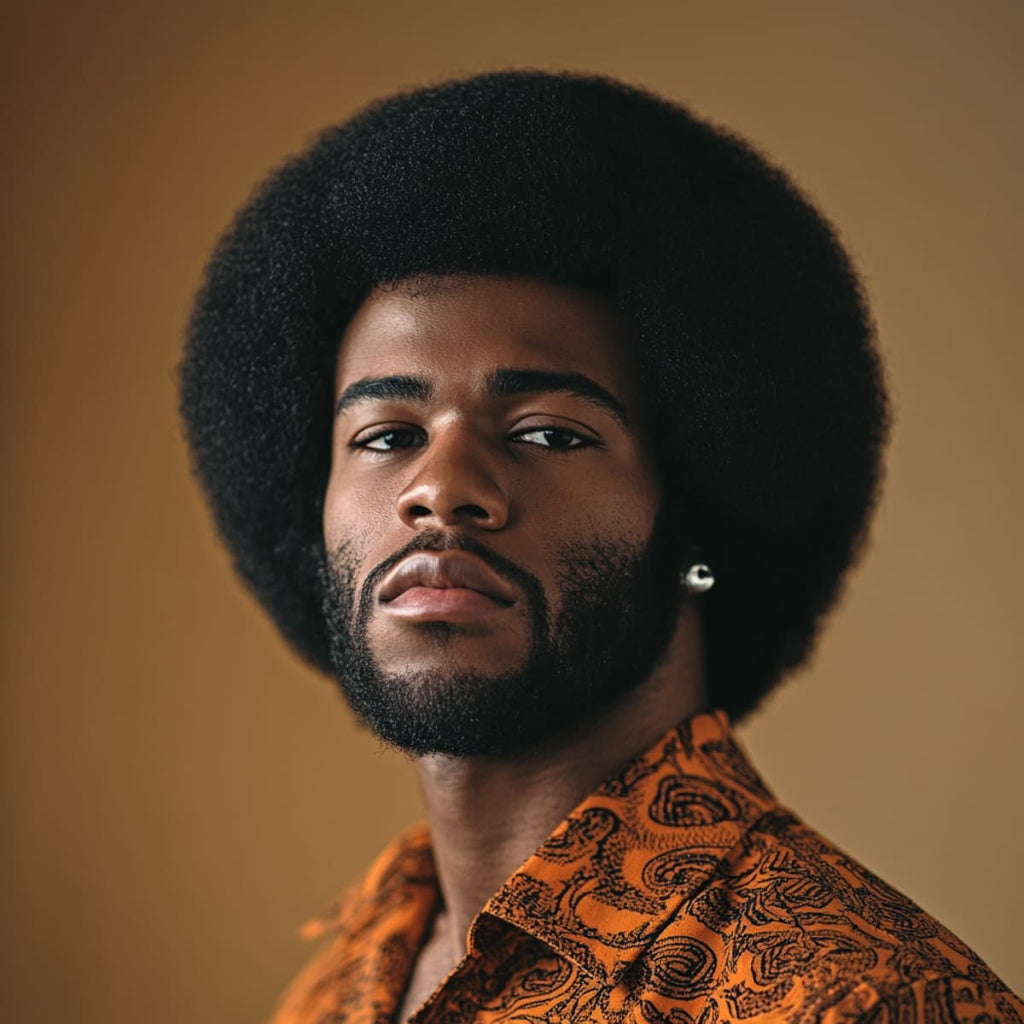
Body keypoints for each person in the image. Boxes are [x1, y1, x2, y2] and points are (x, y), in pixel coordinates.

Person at [179, 71, 1022, 1023]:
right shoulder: (348, 980)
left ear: (698, 511)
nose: (440, 487)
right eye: (386, 436)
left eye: (548, 433)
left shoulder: (860, 1001)